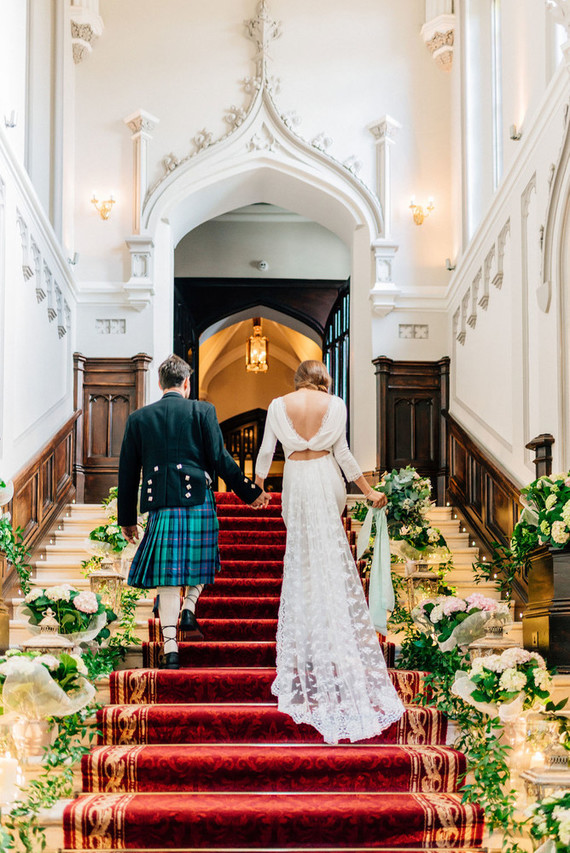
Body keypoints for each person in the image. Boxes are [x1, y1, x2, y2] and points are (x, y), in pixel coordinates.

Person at [254, 360, 405, 743]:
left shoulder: (276, 405)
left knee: (301, 562)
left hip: (295, 482)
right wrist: (369, 491)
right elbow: (345, 456)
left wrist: (257, 488)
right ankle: (330, 633)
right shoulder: (335, 405)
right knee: (329, 561)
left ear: (298, 379)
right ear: (323, 380)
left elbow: (266, 452)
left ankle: (306, 641)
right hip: (325, 478)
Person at [118, 354, 270, 669]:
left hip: (161, 503)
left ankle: (171, 649)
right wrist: (250, 492)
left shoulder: (139, 418)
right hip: (197, 499)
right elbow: (219, 457)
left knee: (169, 577)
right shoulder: (202, 410)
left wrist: (127, 520)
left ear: (160, 384)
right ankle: (190, 605)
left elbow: (128, 472)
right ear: (187, 383)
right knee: (204, 560)